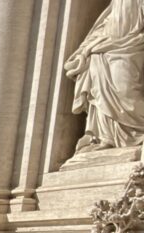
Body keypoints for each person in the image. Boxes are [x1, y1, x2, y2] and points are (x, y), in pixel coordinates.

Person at [64, 0, 144, 152]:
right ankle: (105, 137)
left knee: (125, 90)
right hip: (105, 47)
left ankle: (137, 133)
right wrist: (88, 46)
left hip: (131, 46)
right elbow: (106, 21)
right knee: (100, 91)